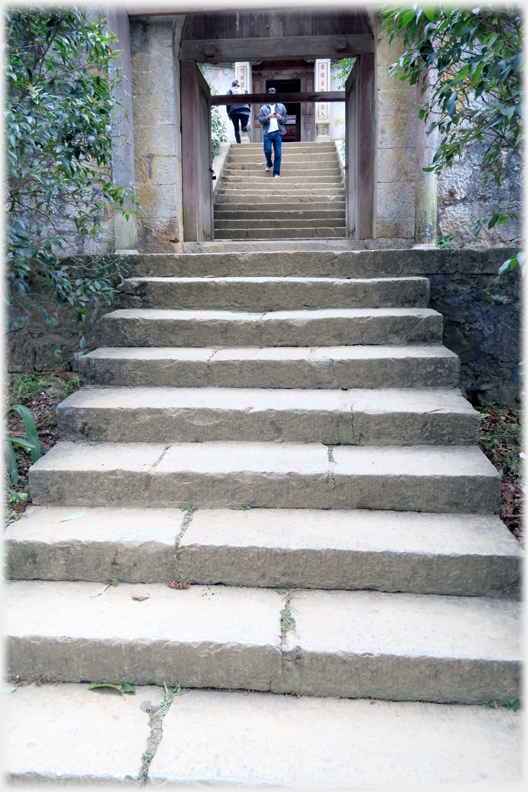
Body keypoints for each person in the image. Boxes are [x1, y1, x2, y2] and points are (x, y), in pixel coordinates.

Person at [258, 87, 288, 177]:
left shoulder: (281, 107)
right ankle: (269, 163)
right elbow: (260, 120)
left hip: (278, 132)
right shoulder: (263, 108)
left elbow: (285, 119)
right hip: (267, 133)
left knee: (278, 153)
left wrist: (280, 117)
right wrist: (267, 117)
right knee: (267, 151)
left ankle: (276, 173)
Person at [226, 79, 250, 144]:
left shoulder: (230, 90)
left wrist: (229, 113)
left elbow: (227, 103)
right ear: (238, 84)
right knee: (244, 127)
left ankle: (239, 143)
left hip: (234, 111)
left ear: (232, 85)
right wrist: (248, 109)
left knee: (236, 128)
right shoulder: (244, 90)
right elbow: (249, 100)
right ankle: (248, 135)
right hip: (245, 110)